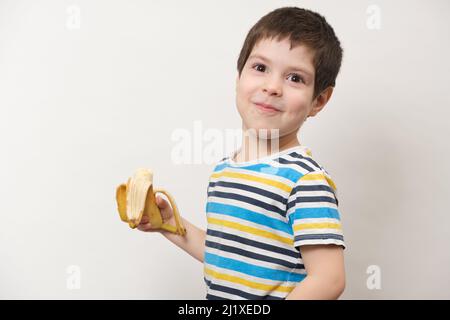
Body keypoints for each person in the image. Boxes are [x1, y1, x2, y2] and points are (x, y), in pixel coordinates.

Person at [137, 6, 346, 300]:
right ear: (238, 78)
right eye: (260, 68)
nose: (272, 87)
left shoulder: (305, 181)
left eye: (295, 78)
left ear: (319, 100)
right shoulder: (225, 171)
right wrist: (171, 225)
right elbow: (225, 259)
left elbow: (328, 279)